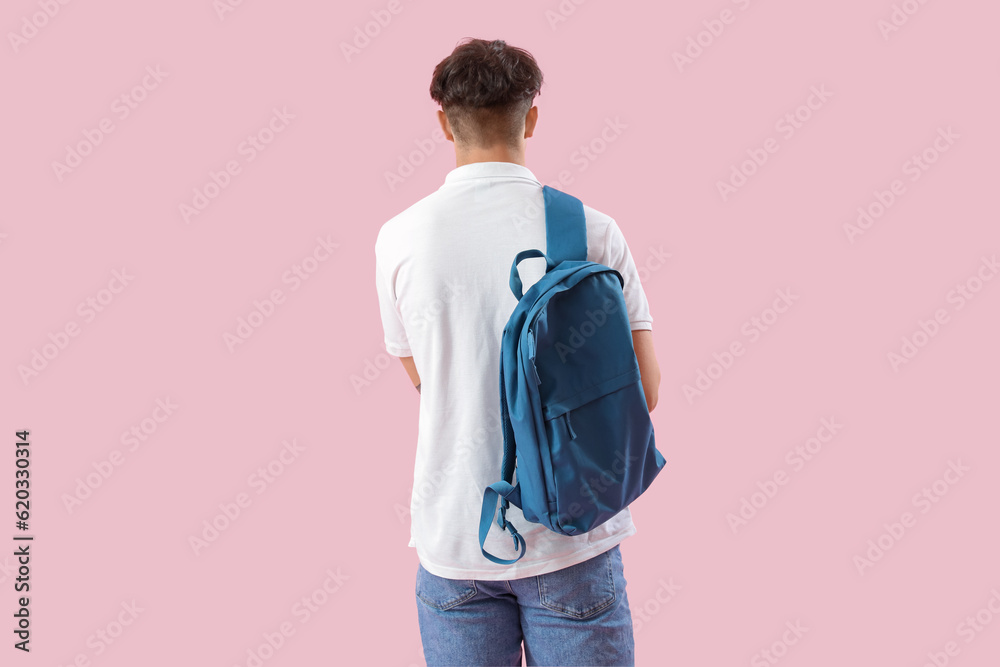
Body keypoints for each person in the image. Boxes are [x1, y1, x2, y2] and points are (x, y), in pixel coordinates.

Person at [374, 37, 661, 667]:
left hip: (453, 541)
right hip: (573, 536)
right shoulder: (589, 229)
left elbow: (427, 376)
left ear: (443, 121)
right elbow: (645, 389)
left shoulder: (398, 238)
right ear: (531, 116)